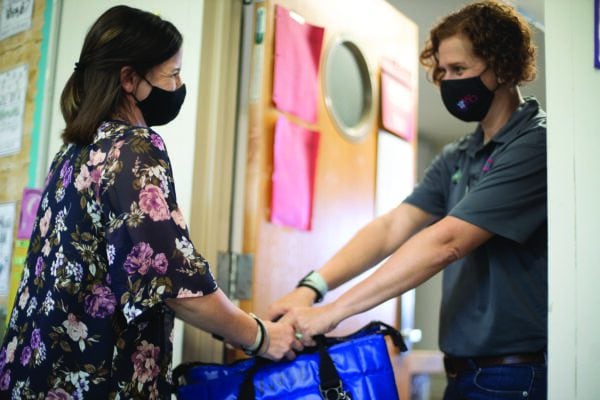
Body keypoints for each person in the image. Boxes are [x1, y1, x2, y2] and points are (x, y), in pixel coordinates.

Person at [0, 5, 300, 399]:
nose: (178, 86)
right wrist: (262, 336)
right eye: (172, 74)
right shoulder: (134, 147)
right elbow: (171, 283)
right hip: (94, 384)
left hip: (30, 375)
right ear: (130, 79)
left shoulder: (72, 153)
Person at [268, 1, 547, 398]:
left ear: (502, 67)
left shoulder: (535, 144)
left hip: (513, 376)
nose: (449, 82)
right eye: (443, 72)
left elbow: (447, 242)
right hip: (465, 373)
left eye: (460, 70)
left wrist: (333, 313)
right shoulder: (459, 154)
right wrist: (312, 287)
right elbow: (391, 228)